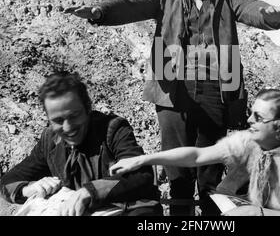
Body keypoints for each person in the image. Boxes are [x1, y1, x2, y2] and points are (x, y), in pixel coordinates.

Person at [65, 0, 280, 215]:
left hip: (216, 91)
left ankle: (211, 220)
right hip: (172, 93)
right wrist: (100, 11)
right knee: (177, 172)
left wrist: (270, 15)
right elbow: (132, 4)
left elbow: (251, 9)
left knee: (209, 171)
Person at [110, 89, 280, 216]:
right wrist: (143, 158)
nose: (248, 120)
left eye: (258, 117)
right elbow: (197, 156)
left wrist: (256, 213)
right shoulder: (250, 141)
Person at [0, 72, 162, 216]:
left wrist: (89, 192)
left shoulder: (113, 129)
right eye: (57, 120)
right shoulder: (50, 140)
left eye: (74, 116)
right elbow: (7, 182)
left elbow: (140, 175)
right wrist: (30, 188)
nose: (68, 127)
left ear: (87, 108)